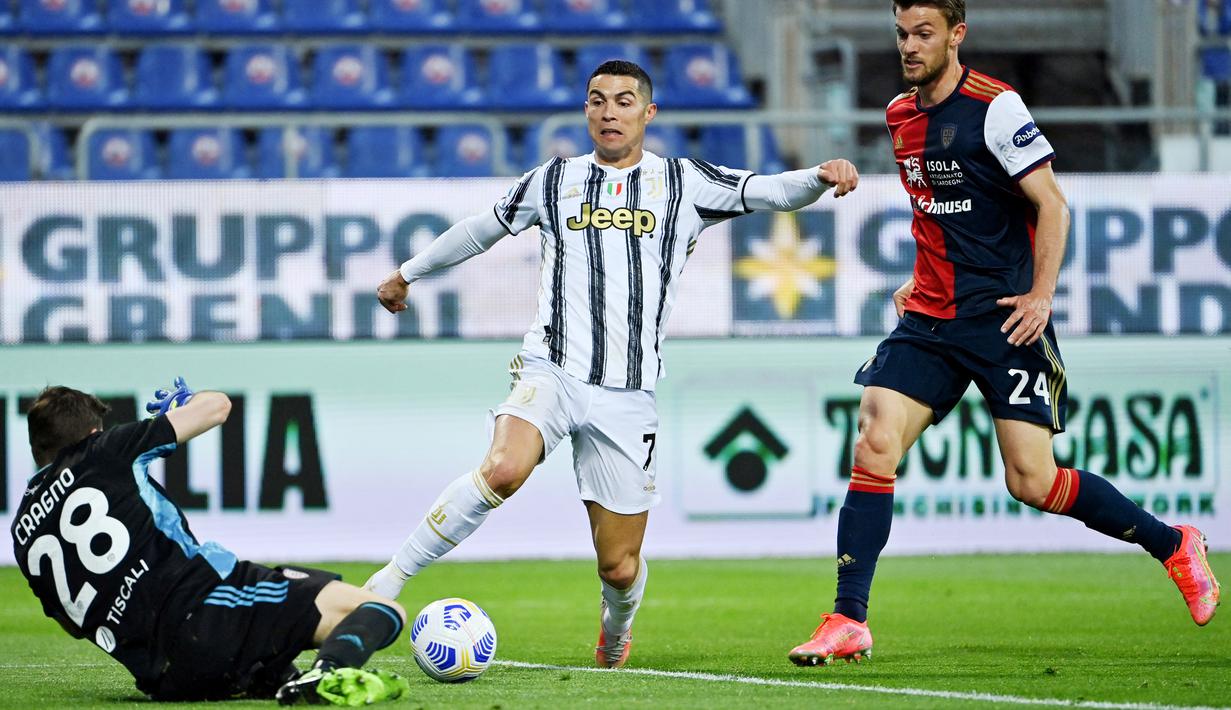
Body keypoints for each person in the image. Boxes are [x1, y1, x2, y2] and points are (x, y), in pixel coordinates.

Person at [366, 59, 860, 669]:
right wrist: (406, 274)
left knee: (619, 565)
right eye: (597, 100)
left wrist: (820, 173)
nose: (609, 112)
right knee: (502, 468)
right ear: (585, 111)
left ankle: (616, 629)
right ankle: (385, 583)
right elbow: (480, 229)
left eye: (624, 101)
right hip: (552, 368)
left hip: (629, 393)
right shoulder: (554, 180)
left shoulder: (684, 182)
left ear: (648, 113)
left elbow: (769, 191)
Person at [787, 0, 1221, 667]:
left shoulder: (996, 106)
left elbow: (1051, 203)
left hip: (1003, 318)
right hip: (931, 318)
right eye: (901, 33)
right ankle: (848, 618)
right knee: (874, 438)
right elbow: (937, 216)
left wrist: (1042, 295)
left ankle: (1171, 544)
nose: (909, 46)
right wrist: (915, 277)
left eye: (923, 34)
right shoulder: (900, 116)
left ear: (956, 35)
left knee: (1031, 480)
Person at [12, 380, 409, 706]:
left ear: (36, 450)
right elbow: (217, 407)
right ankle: (326, 678)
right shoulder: (104, 450)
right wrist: (184, 404)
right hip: (207, 612)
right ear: (94, 432)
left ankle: (263, 676)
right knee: (378, 609)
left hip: (166, 678)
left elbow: (73, 626)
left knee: (268, 661)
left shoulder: (22, 536)